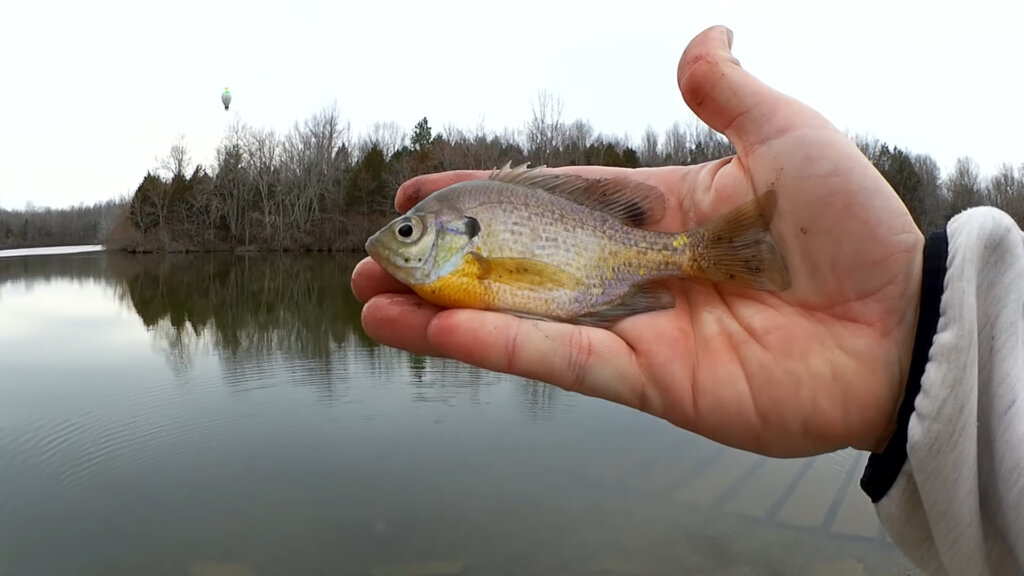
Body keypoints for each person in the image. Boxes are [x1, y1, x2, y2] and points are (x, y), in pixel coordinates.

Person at [350, 25, 1024, 576]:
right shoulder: (457, 263)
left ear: (457, 235)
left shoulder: (477, 254)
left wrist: (910, 315)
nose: (395, 242)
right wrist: (917, 329)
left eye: (408, 233)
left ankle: (711, 254)